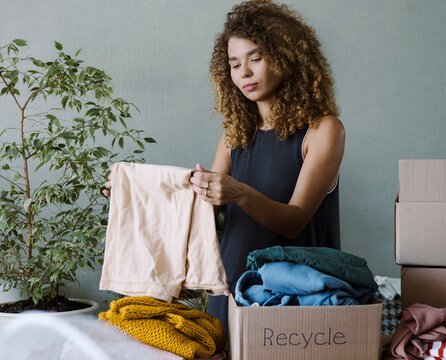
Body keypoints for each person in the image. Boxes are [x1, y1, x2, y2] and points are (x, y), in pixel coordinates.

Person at [105, 0, 345, 331]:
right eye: (234, 64)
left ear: (288, 57)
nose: (243, 72)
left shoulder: (323, 130)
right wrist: (137, 196)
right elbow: (206, 209)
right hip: (232, 287)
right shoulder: (234, 135)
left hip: (299, 294)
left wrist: (238, 193)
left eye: (255, 59)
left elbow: (295, 221)